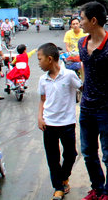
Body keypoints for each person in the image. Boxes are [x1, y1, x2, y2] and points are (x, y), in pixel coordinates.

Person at [78, 2, 108, 200]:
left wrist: (105, 91)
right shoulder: (82, 44)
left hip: (106, 109)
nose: (79, 23)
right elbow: (85, 69)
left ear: (93, 20)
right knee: (88, 153)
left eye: (82, 18)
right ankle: (97, 188)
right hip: (86, 109)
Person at [37, 43, 83, 200]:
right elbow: (43, 100)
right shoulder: (42, 79)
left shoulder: (69, 75)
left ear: (50, 59)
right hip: (49, 124)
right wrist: (39, 117)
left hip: (67, 123)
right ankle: (58, 187)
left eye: (40, 59)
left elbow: (82, 87)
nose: (38, 62)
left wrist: (83, 67)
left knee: (71, 154)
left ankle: (64, 177)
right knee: (52, 157)